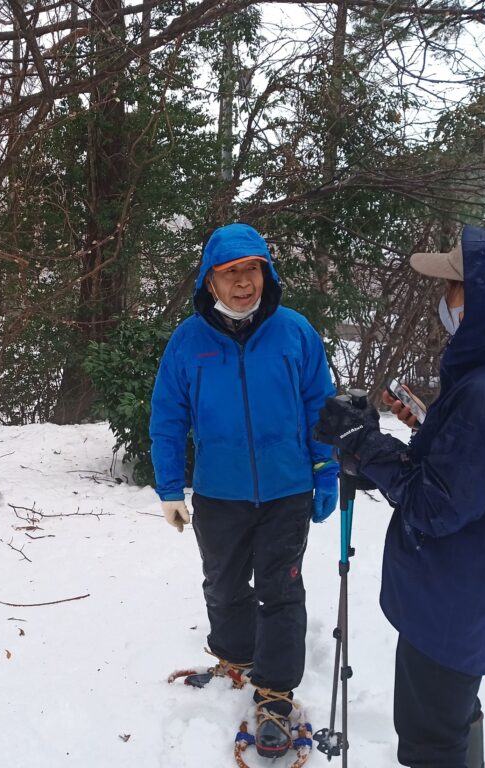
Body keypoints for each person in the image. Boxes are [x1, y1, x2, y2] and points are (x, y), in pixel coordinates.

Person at [312, 225, 485, 768]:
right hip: (477, 591)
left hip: (453, 603)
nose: (444, 300)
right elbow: (480, 471)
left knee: (431, 739)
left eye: (453, 287)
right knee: (451, 720)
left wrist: (364, 442)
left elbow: (436, 506)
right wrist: (432, 428)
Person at [149, 222, 339, 759]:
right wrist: (169, 487)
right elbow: (167, 416)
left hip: (287, 489)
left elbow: (320, 408)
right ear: (210, 281)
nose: (242, 283)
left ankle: (276, 692)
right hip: (219, 492)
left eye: (251, 270)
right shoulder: (188, 342)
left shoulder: (295, 332)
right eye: (230, 273)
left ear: (266, 273)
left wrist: (325, 472)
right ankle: (236, 657)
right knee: (224, 583)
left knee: (280, 589)